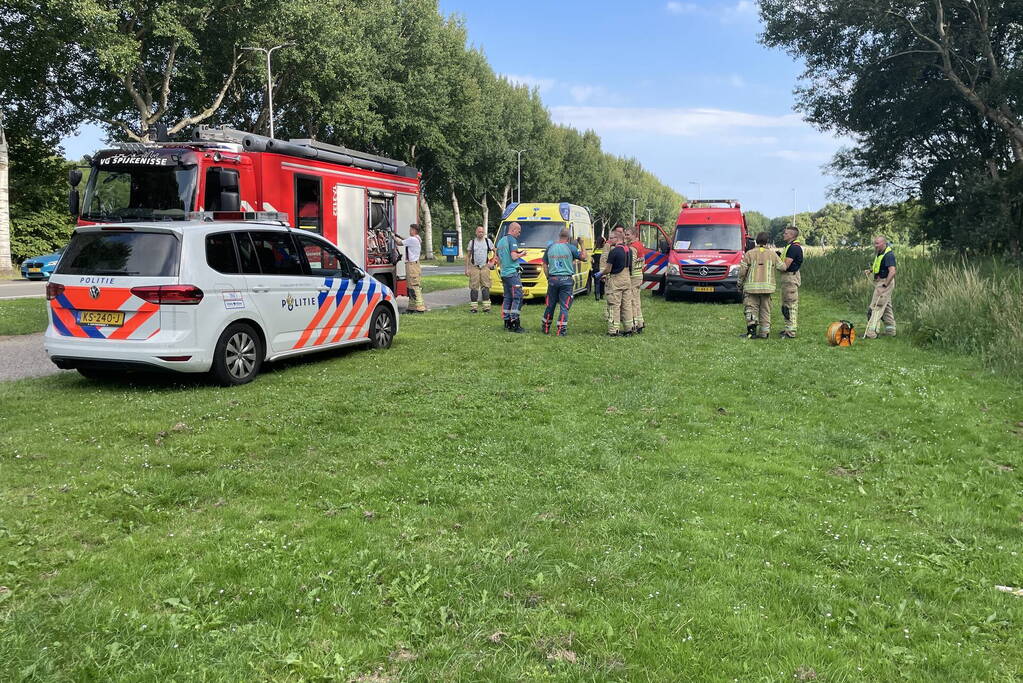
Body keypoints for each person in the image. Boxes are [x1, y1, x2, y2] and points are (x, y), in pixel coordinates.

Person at [541, 228, 587, 336]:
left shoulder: (550, 247)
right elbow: (584, 258)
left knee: (550, 305)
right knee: (564, 306)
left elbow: (544, 264)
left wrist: (548, 277)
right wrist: (582, 244)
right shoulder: (570, 248)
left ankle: (546, 327)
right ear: (569, 237)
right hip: (566, 280)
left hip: (553, 279)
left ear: (559, 235)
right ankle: (561, 330)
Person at [737, 231, 781, 338]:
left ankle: (751, 333)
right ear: (767, 241)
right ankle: (764, 333)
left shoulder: (749, 254)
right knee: (765, 310)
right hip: (767, 289)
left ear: (756, 241)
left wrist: (739, 284)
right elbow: (782, 267)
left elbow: (742, 271)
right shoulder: (772, 254)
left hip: (752, 289)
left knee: (751, 309)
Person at [863, 235, 897, 338]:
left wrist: (885, 284)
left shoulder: (889, 255)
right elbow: (880, 266)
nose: (875, 245)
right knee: (886, 307)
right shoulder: (880, 253)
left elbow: (892, 271)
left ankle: (871, 333)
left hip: (885, 283)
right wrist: (871, 271)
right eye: (875, 243)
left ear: (884, 243)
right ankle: (891, 332)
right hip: (880, 282)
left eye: (877, 243)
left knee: (876, 307)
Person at [600, 233, 632, 337]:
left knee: (614, 305)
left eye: (611, 238)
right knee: (626, 305)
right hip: (627, 279)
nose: (608, 240)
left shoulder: (614, 252)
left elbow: (608, 269)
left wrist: (600, 274)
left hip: (616, 280)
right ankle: (628, 329)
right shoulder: (629, 250)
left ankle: (613, 331)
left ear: (617, 239)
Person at [496, 222, 526, 333]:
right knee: (517, 297)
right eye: (518, 231)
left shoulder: (500, 241)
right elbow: (514, 257)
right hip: (513, 273)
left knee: (508, 297)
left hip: (504, 274)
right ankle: (515, 323)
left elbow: (497, 260)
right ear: (513, 230)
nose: (519, 234)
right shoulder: (512, 240)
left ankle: (507, 322)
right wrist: (521, 254)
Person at [776, 226, 804, 338]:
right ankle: (788, 329)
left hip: (790, 279)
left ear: (792, 235)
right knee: (786, 305)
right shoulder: (790, 247)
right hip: (788, 278)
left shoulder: (793, 248)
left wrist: (775, 259)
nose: (784, 235)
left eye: (786, 233)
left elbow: (785, 266)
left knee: (790, 305)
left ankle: (791, 332)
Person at [393, 225, 426, 314]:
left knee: (414, 286)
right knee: (410, 286)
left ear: (414, 230)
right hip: (413, 265)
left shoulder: (413, 240)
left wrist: (392, 236)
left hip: (412, 265)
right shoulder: (416, 239)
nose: (409, 231)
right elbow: (406, 240)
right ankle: (411, 307)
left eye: (411, 229)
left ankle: (420, 307)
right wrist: (398, 236)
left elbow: (400, 243)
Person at [465, 225, 495, 313]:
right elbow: (468, 256)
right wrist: (467, 268)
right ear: (476, 232)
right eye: (479, 232)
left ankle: (486, 308)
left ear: (484, 233)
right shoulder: (472, 242)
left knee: (486, 286)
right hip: (475, 267)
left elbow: (495, 251)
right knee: (474, 287)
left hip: (485, 267)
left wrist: (493, 262)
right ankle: (473, 308)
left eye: (482, 232)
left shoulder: (488, 241)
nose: (481, 233)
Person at [625, 227, 646, 334]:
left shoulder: (633, 247)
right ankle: (640, 322)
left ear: (634, 235)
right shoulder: (640, 245)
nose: (626, 236)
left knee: (632, 301)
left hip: (633, 277)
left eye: (628, 234)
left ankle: (635, 324)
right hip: (639, 275)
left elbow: (631, 264)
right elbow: (643, 262)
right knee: (637, 301)